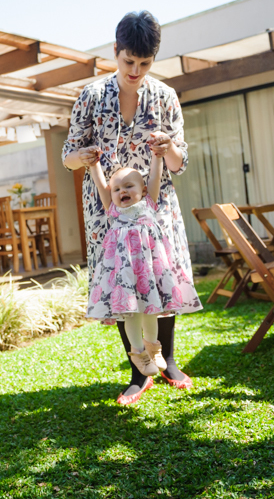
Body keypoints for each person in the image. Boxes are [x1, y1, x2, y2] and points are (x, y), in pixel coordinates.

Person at [62, 10, 200, 405]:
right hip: (107, 210)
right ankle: (138, 373)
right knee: (124, 285)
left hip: (156, 209)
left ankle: (169, 360)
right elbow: (68, 157)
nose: (136, 70)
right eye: (129, 62)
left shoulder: (165, 97)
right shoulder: (90, 96)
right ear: (115, 51)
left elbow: (179, 163)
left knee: (161, 277)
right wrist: (83, 156)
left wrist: (168, 148)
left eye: (145, 63)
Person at [85, 152, 201, 378]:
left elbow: (156, 176)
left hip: (148, 270)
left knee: (151, 310)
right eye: (117, 189)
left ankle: (153, 347)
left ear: (144, 190)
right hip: (125, 274)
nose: (122, 192)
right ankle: (138, 353)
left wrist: (157, 157)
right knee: (130, 314)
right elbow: (101, 184)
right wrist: (94, 165)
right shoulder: (113, 210)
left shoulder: (149, 202)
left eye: (129, 186)